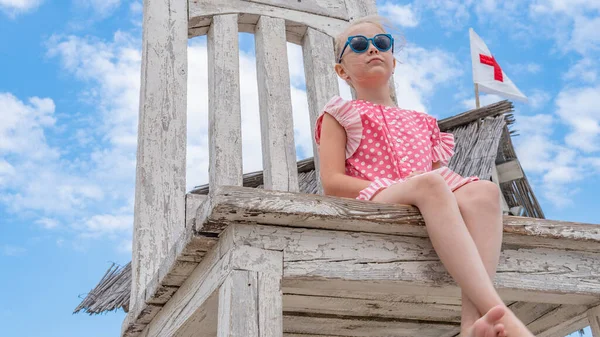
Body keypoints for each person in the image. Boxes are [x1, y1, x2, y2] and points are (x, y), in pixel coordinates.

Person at [314, 16, 535, 337]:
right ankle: (503, 315)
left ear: (393, 61)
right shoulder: (340, 112)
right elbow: (332, 182)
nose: (373, 49)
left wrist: (454, 191)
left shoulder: (422, 122)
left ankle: (472, 324)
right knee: (430, 184)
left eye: (382, 43)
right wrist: (403, 186)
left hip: (424, 195)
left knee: (484, 192)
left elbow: (441, 178)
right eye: (359, 46)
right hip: (374, 199)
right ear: (342, 70)